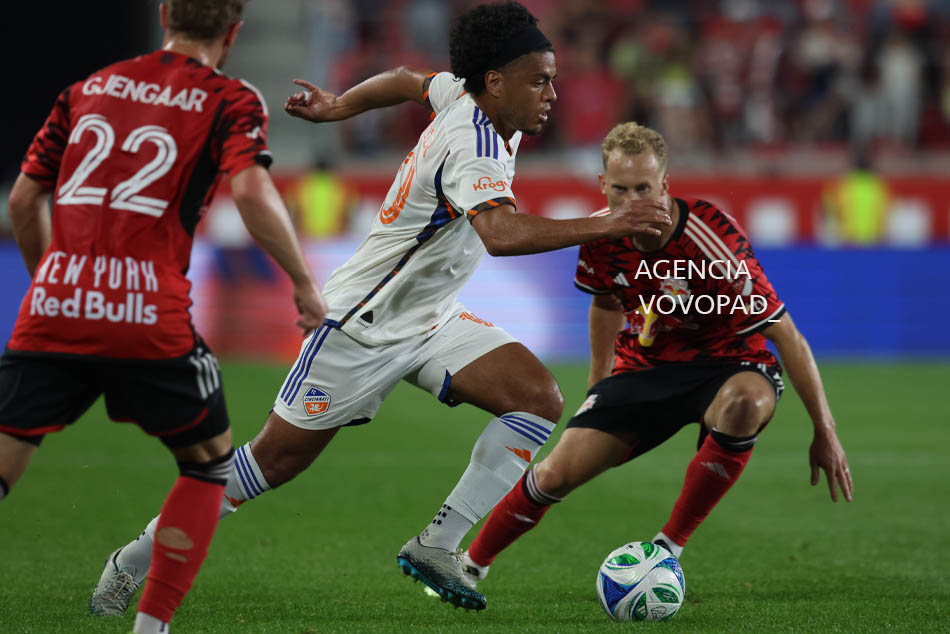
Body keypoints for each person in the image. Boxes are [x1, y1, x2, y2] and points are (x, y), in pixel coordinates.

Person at [90, 0, 671, 614]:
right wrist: (609, 221)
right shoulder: (474, 143)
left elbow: (406, 79)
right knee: (272, 462)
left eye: (551, 78)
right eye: (539, 80)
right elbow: (501, 235)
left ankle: (437, 544)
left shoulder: (468, 96)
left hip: (430, 317)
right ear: (496, 82)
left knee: (537, 398)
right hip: (361, 326)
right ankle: (134, 559)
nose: (552, 92)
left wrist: (340, 105)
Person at [0, 1, 327, 633]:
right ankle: (151, 628)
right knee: (208, 464)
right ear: (233, 32)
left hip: (56, 306)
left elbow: (23, 198)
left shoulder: (88, 88)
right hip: (148, 312)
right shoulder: (230, 98)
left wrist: (54, 284)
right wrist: (304, 283)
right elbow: (251, 190)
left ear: (163, 15)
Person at [459, 122, 854, 596]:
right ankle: (469, 565)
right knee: (554, 474)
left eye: (643, 188)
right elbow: (606, 302)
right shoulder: (600, 233)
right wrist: (599, 383)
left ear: (665, 185)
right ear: (603, 185)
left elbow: (787, 336)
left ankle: (669, 546)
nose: (632, 202)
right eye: (620, 190)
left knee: (743, 404)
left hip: (728, 364)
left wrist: (825, 431)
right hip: (644, 368)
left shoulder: (712, 242)